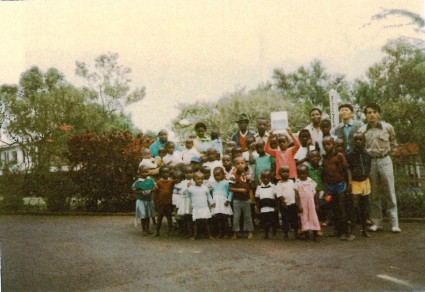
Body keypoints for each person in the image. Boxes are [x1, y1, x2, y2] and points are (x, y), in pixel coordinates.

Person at [358, 103, 401, 233]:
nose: (372, 115)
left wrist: (388, 155)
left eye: (375, 112)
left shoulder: (387, 127)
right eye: (369, 112)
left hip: (385, 159)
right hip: (371, 162)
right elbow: (359, 147)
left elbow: (394, 143)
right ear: (365, 115)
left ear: (379, 114)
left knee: (390, 191)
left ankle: (394, 224)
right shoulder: (362, 130)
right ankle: (377, 222)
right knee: (374, 193)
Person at [322, 136, 353, 240]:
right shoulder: (325, 158)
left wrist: (349, 182)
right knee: (333, 207)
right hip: (330, 187)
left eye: (329, 144)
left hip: (340, 185)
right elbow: (325, 175)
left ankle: (346, 232)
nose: (326, 146)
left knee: (342, 207)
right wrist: (326, 189)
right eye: (324, 145)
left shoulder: (339, 155)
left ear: (333, 144)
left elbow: (347, 169)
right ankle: (337, 230)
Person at [346, 133, 372, 238]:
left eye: (360, 139)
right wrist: (350, 182)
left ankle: (364, 229)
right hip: (355, 183)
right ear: (353, 141)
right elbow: (348, 169)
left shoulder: (367, 154)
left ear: (364, 141)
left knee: (364, 207)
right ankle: (352, 231)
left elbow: (368, 167)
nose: (358, 142)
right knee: (353, 207)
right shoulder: (349, 155)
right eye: (356, 140)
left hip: (365, 182)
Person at [184, 172, 215, 240]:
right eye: (198, 179)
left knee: (206, 222)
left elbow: (208, 196)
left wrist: (212, 203)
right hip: (196, 208)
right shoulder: (191, 188)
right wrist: (187, 187)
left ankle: (209, 235)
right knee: (195, 223)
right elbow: (185, 194)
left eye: (201, 179)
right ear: (194, 180)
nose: (200, 180)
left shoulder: (205, 188)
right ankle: (195, 235)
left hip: (204, 208)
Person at [229, 156, 255, 240]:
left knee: (248, 216)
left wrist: (250, 180)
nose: (240, 165)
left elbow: (251, 186)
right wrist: (239, 190)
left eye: (242, 163)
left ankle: (250, 232)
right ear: (234, 165)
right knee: (236, 217)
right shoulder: (233, 175)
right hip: (237, 200)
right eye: (238, 163)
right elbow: (230, 188)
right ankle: (235, 233)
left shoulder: (247, 174)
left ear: (245, 164)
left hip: (246, 199)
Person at [295, 164, 321, 242]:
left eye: (304, 173)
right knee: (304, 217)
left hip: (311, 203)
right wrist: (299, 205)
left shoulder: (311, 182)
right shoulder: (297, 183)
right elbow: (297, 196)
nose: (302, 175)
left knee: (313, 217)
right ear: (298, 174)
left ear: (307, 173)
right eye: (300, 174)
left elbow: (315, 193)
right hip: (303, 204)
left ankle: (315, 234)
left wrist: (316, 204)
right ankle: (306, 235)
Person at [276, 165, 300, 240]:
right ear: (279, 174)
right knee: (285, 219)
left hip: (293, 204)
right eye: (283, 172)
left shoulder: (292, 181)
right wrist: (283, 203)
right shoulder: (279, 184)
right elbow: (279, 195)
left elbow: (295, 192)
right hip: (285, 205)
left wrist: (297, 202)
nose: (285, 173)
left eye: (287, 172)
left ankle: (296, 232)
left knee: (295, 219)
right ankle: (286, 233)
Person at [132, 166, 156, 236]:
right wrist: (141, 192)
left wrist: (151, 191)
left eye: (146, 172)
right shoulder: (138, 182)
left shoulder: (150, 180)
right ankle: (144, 230)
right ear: (140, 173)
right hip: (141, 200)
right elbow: (134, 190)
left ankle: (148, 229)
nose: (145, 173)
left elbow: (155, 187)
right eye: (143, 172)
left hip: (148, 200)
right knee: (143, 215)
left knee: (148, 215)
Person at [210, 167, 233, 238]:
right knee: (218, 218)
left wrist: (228, 200)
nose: (217, 177)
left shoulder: (226, 183)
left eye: (218, 175)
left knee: (225, 218)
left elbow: (230, 192)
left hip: (223, 201)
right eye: (215, 175)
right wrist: (211, 202)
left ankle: (226, 233)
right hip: (216, 202)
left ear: (223, 174)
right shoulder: (212, 184)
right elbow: (210, 193)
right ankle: (220, 233)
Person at [255, 170, 278, 239]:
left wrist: (276, 206)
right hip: (263, 208)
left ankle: (274, 231)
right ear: (261, 178)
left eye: (267, 177)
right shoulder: (259, 187)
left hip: (271, 207)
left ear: (270, 178)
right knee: (264, 221)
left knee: (272, 220)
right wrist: (257, 206)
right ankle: (266, 233)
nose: (265, 179)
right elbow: (257, 198)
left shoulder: (273, 186)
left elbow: (276, 197)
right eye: (264, 178)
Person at [153, 167, 174, 236]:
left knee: (169, 217)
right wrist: (156, 202)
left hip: (169, 202)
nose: (166, 174)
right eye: (164, 173)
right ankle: (157, 231)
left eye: (167, 172)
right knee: (159, 217)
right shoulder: (158, 182)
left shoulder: (171, 181)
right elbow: (155, 193)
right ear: (161, 173)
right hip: (161, 203)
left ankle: (170, 230)